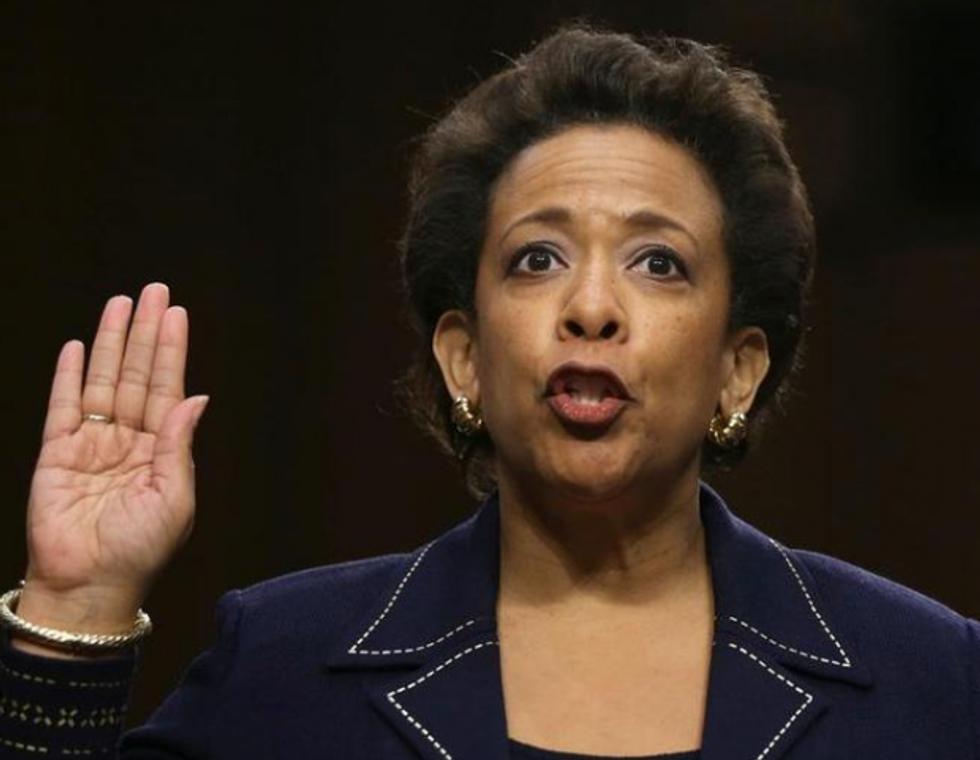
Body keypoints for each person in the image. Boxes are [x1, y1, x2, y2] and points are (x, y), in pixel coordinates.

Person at [1, 22, 978, 760]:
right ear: (462, 358)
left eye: (658, 263)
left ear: (738, 369)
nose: (590, 307)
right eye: (537, 258)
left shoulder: (930, 681)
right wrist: (77, 605)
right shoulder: (284, 667)